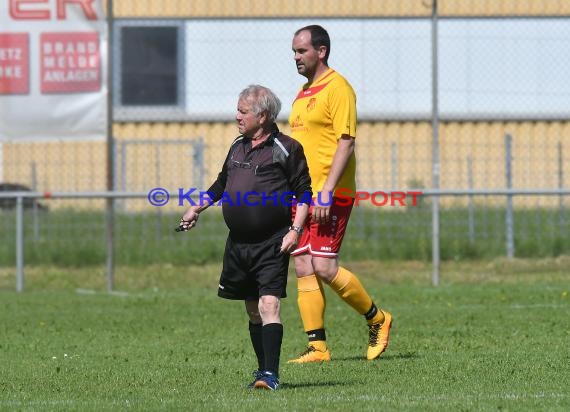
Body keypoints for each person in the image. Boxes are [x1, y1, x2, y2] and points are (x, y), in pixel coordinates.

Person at [179, 85, 312, 390]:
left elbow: (305, 192)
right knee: (253, 310)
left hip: (272, 241)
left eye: (243, 111)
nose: (236, 116)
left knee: (268, 305)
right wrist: (196, 209)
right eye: (237, 110)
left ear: (262, 116)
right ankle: (262, 369)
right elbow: (221, 183)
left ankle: (271, 375)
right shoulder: (238, 145)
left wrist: (296, 230)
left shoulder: (287, 148)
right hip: (238, 244)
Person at [287, 25, 392, 363]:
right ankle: (317, 347)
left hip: (330, 194)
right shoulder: (303, 94)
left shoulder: (339, 88)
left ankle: (377, 317)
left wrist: (326, 192)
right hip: (302, 194)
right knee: (302, 262)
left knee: (325, 266)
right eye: (294, 52)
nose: (296, 57)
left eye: (302, 51)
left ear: (321, 51)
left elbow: (346, 141)